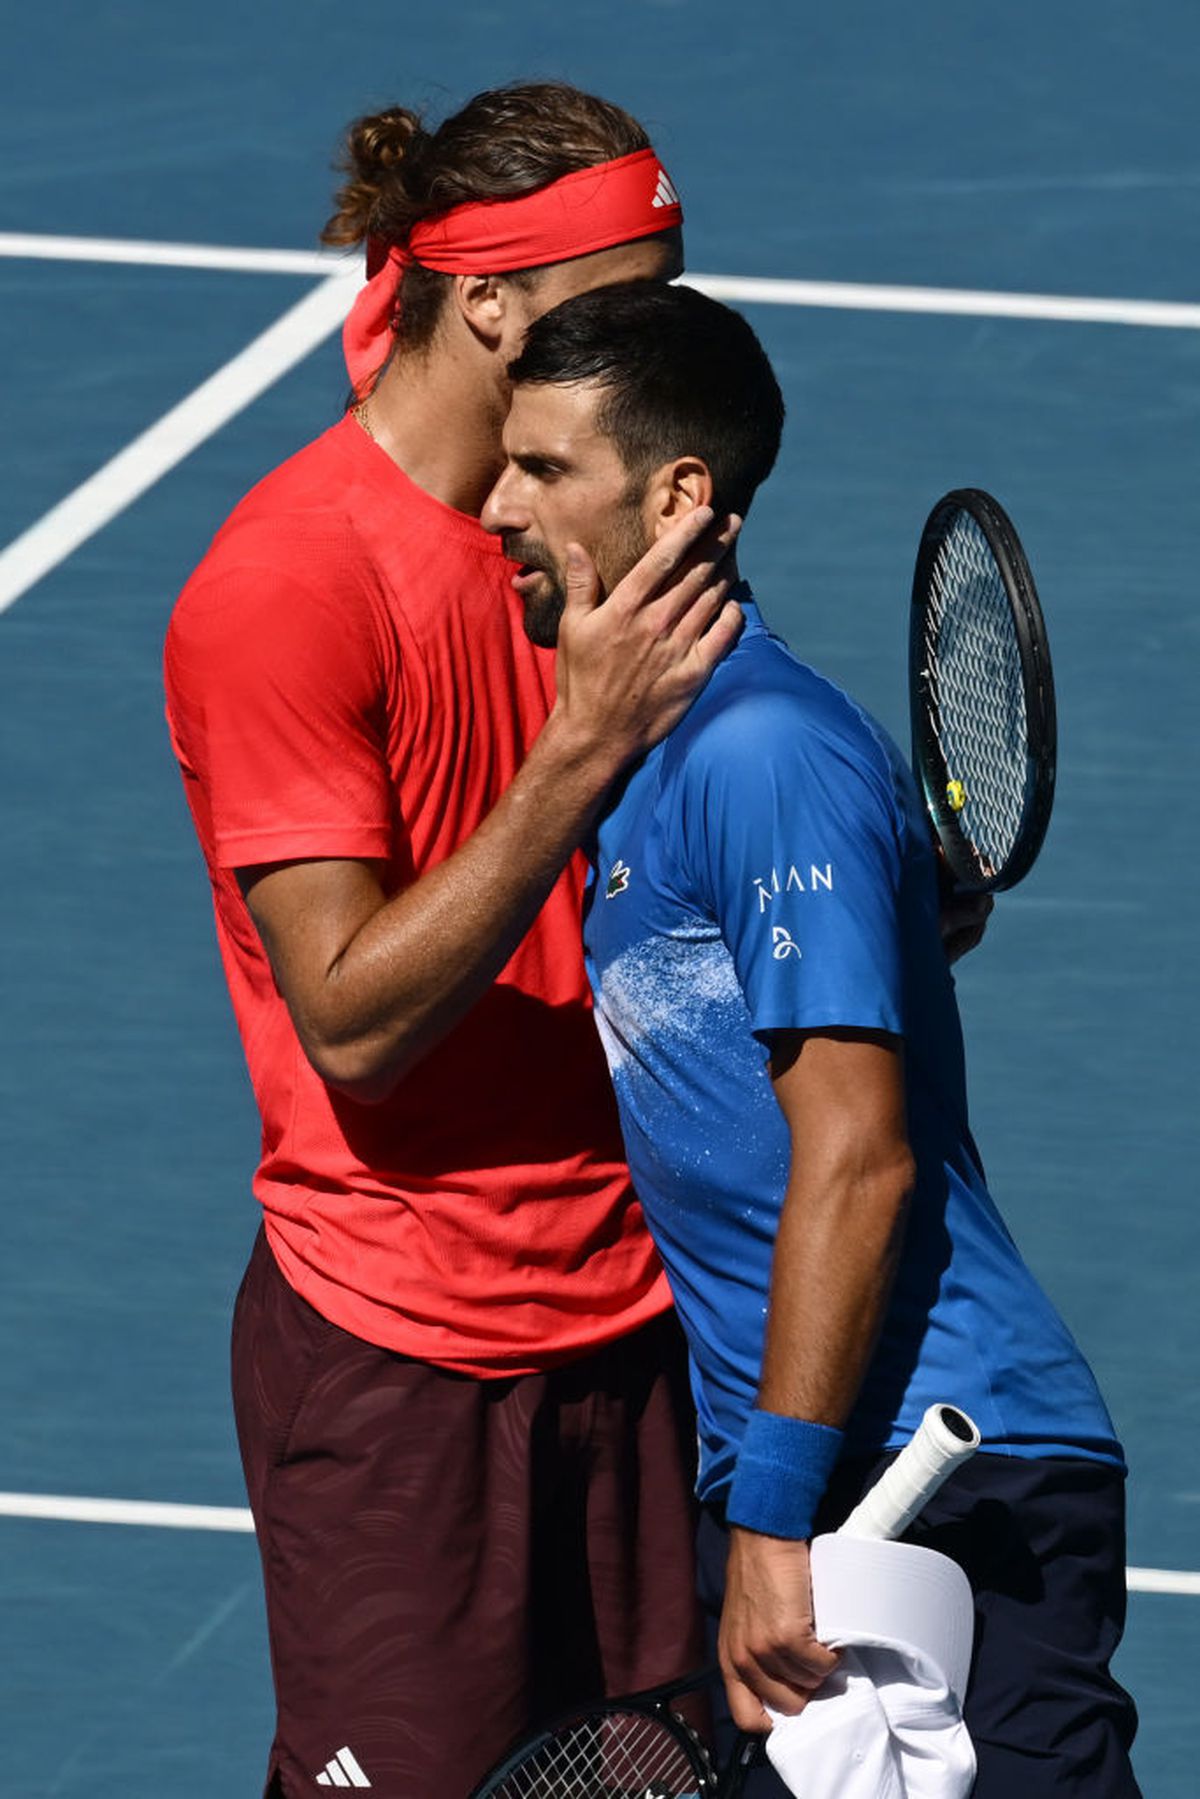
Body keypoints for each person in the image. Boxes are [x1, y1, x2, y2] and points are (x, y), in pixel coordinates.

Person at [481, 278, 1141, 1797]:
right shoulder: (646, 769)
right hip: (819, 1460)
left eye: (545, 469)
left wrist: (776, 1517)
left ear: (678, 495)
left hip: (935, 1472)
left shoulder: (763, 753)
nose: (500, 503)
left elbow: (859, 1159)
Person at [163, 83, 746, 1799]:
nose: (662, 334)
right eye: (623, 291)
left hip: (648, 1320)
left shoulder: (602, 513)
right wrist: (584, 744)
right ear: (484, 300)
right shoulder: (286, 590)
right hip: (409, 1366)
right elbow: (348, 1019)